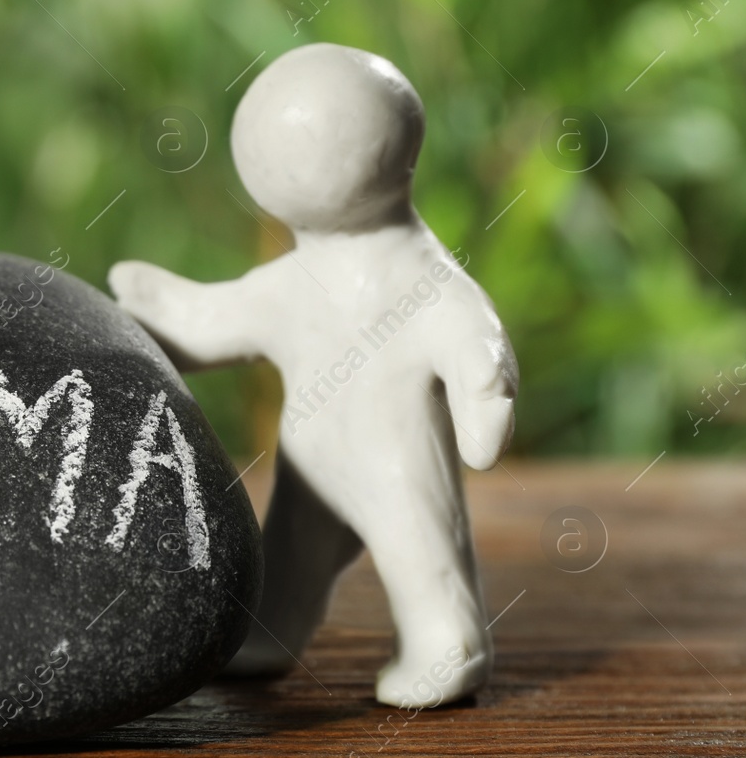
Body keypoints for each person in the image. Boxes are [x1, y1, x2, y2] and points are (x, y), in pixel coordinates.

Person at [109, 43, 517, 707]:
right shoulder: (294, 280)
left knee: (418, 542)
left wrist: (484, 389)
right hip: (312, 452)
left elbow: (470, 331)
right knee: (290, 554)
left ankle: (449, 641)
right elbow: (218, 319)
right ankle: (270, 632)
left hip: (396, 455)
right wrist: (157, 313)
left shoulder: (420, 275)